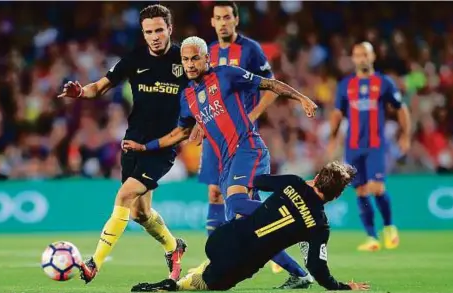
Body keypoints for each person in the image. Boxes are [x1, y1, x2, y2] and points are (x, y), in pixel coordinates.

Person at [122, 36, 317, 288]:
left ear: (206, 58)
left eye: (195, 58)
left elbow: (269, 83)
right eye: (185, 59)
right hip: (226, 163)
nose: (190, 64)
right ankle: (301, 275)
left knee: (237, 203)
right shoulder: (188, 97)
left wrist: (301, 98)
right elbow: (179, 133)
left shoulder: (226, 74)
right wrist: (144, 146)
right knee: (248, 229)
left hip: (248, 148)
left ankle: (298, 221)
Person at [57, 4, 189, 283]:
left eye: (159, 30)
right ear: (143, 33)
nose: (154, 36)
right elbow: (100, 86)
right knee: (140, 213)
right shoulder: (135, 58)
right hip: (133, 144)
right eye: (148, 32)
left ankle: (94, 263)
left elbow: (204, 88)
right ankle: (173, 247)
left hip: (161, 147)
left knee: (124, 197)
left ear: (170, 29)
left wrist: (200, 123)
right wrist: (80, 91)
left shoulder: (184, 60)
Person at [130, 161, 370, 292]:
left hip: (221, 239)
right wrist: (342, 287)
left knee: (216, 261)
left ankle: (176, 281)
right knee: (209, 284)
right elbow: (317, 267)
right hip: (243, 264)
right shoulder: (319, 226)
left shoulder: (294, 183)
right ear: (336, 196)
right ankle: (173, 287)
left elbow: (260, 181)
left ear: (316, 178)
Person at [190, 0, 302, 280]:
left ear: (235, 20)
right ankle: (217, 260)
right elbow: (201, 94)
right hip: (217, 141)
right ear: (212, 22)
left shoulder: (250, 49)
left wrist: (251, 115)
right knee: (216, 195)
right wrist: (202, 122)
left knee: (243, 208)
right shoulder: (206, 52)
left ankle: (287, 234)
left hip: (240, 137)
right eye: (218, 18)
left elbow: (272, 86)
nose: (223, 22)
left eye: (228, 17)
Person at [327, 42, 411, 251]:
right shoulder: (345, 85)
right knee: (361, 191)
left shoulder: (384, 83)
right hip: (353, 146)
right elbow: (338, 113)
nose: (361, 58)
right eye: (357, 55)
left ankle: (389, 227)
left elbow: (401, 109)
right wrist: (332, 137)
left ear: (373, 57)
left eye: (365, 54)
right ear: (353, 59)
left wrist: (406, 135)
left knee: (377, 188)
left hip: (375, 145)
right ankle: (372, 237)